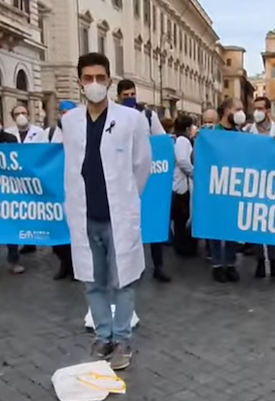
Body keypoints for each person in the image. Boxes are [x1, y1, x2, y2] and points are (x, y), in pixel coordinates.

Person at [62, 52, 151, 370]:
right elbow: (72, 166)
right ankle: (103, 336)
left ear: (110, 81)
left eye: (100, 78)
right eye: (88, 78)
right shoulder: (69, 121)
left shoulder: (131, 120)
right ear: (79, 83)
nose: (95, 84)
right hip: (85, 215)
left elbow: (142, 165)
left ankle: (123, 339)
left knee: (123, 280)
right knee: (92, 280)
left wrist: (126, 200)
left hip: (118, 216)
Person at [116, 79, 170, 283]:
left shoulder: (148, 115)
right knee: (127, 223)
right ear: (119, 96)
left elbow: (161, 139)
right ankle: (129, 268)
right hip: (123, 177)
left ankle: (158, 266)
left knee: (152, 219)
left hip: (149, 174)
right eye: (126, 95)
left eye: (132, 94)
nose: (130, 98)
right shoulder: (113, 115)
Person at [244, 96, 275, 279]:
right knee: (256, 226)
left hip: (273, 184)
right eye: (255, 108)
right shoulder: (247, 131)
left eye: (261, 108)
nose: (257, 112)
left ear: (268, 111)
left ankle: (274, 262)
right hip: (253, 183)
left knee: (272, 225)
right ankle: (260, 261)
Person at [38, 100, 78, 280]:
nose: (66, 115)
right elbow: (38, 155)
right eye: (63, 111)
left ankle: (77, 267)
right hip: (55, 188)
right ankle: (64, 263)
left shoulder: (82, 132)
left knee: (76, 231)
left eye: (69, 111)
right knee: (57, 230)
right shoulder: (50, 133)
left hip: (77, 188)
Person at [209, 98, 246, 283]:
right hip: (216, 187)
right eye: (237, 109)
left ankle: (230, 263)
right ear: (226, 110)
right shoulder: (212, 133)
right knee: (215, 227)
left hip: (235, 187)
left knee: (232, 227)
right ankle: (217, 264)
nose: (240, 112)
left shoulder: (241, 135)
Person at [6, 105, 44, 255]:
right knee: (20, 210)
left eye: (23, 112)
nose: (21, 115)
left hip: (34, 178)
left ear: (28, 114)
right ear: (13, 117)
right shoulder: (8, 134)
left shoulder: (39, 132)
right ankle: (24, 241)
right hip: (14, 181)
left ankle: (33, 239)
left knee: (34, 210)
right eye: (17, 113)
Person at [0, 122, 24, 274]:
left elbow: (19, 158)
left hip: (7, 188)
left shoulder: (9, 138)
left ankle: (13, 260)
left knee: (10, 223)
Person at [172, 114, 197, 256]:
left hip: (181, 184)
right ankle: (181, 246)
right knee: (182, 218)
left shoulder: (180, 140)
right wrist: (194, 173)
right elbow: (182, 160)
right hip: (181, 186)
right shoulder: (182, 141)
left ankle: (181, 244)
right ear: (187, 128)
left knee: (181, 218)